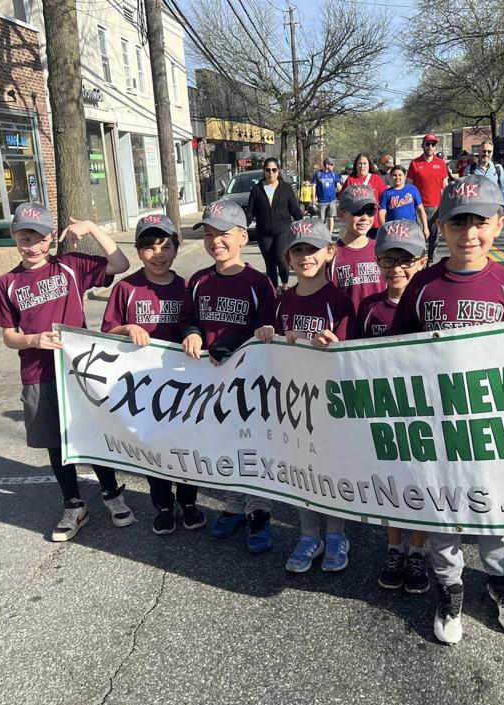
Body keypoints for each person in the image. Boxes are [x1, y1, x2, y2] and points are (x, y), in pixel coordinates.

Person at [391, 175, 504, 644]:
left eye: (479, 222)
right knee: (443, 511)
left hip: (492, 426)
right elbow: (393, 354)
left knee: (495, 509)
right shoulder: (423, 285)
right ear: (441, 228)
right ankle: (449, 587)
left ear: (498, 224)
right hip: (437, 427)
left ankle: (501, 581)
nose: (469, 234)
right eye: (458, 223)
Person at [0, 203, 132, 542]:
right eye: (25, 239)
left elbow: (120, 264)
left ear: (52, 237)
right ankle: (73, 504)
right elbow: (8, 337)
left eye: (40, 239)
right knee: (56, 442)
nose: (33, 247)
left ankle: (111, 493)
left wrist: (92, 227)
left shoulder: (69, 266)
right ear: (14, 237)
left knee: (92, 435)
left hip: (79, 370)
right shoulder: (8, 283)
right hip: (38, 374)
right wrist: (32, 339)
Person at [254, 217, 356, 573]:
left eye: (313, 249)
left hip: (328, 402)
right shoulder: (283, 301)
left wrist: (334, 345)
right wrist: (267, 335)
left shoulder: (339, 301)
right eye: (298, 251)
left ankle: (337, 534)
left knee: (331, 469)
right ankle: (309, 535)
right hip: (294, 402)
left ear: (329, 252)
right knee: (301, 470)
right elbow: (274, 342)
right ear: (288, 258)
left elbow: (352, 356)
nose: (305, 257)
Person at [181, 199, 279, 552]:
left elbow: (268, 329)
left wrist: (236, 341)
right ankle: (235, 502)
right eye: (208, 234)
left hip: (249, 383)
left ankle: (259, 510)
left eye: (223, 233)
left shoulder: (259, 282)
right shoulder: (198, 281)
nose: (215, 241)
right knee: (224, 444)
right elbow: (188, 318)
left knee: (252, 445)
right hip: (210, 382)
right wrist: (192, 331)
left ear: (242, 237)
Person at [101, 213, 204, 535]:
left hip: (183, 384)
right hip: (143, 387)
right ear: (137, 250)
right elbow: (106, 332)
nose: (158, 254)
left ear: (176, 249)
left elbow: (196, 325)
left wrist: (193, 334)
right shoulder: (126, 288)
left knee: (186, 446)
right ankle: (162, 505)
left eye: (165, 246)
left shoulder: (186, 287)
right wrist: (127, 328)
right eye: (149, 247)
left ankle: (188, 502)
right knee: (153, 448)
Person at [352, 220, 431, 593]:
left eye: (406, 260)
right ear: (377, 263)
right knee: (390, 482)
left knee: (421, 483)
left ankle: (418, 550)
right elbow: (351, 357)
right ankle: (394, 547)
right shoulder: (369, 307)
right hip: (383, 413)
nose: (396, 268)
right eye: (388, 260)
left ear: (422, 261)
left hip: (425, 414)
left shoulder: (430, 304)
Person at [246, 157, 303, 293]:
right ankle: (273, 290)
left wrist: (303, 223)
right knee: (269, 262)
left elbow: (295, 210)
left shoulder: (286, 188)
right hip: (263, 232)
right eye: (268, 170)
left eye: (274, 170)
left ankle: (285, 285)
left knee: (280, 257)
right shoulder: (257, 189)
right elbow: (250, 213)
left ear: (278, 171)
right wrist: (241, 226)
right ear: (264, 171)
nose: (271, 173)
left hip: (282, 229)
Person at [331, 184, 386, 311]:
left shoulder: (382, 250)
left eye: (370, 211)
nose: (365, 217)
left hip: (377, 321)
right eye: (358, 211)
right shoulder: (331, 254)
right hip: (344, 322)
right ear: (341, 215)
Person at [406, 133, 453, 262]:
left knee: (434, 238)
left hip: (436, 207)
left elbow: (445, 186)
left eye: (433, 144)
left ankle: (431, 262)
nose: (430, 147)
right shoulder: (414, 163)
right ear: (423, 146)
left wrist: (448, 205)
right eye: (428, 144)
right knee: (419, 237)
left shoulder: (441, 164)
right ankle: (419, 261)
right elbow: (409, 187)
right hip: (418, 207)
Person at [340, 153, 388, 231]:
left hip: (374, 220)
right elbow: (343, 199)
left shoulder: (376, 179)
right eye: (360, 163)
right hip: (356, 220)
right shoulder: (350, 180)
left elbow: (384, 198)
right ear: (356, 165)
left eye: (365, 163)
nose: (362, 166)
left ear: (369, 165)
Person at [378, 165, 429, 238]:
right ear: (390, 177)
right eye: (394, 175)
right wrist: (384, 228)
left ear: (405, 176)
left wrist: (425, 227)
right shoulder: (386, 193)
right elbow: (382, 213)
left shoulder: (412, 189)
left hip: (411, 228)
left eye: (400, 175)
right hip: (393, 230)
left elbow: (420, 209)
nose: (397, 177)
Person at [463, 141, 504, 210]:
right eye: (484, 151)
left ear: (492, 153)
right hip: (477, 208)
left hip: (494, 207)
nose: (486, 154)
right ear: (479, 152)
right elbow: (465, 191)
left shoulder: (498, 168)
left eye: (489, 152)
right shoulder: (470, 169)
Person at [311, 157, 342, 234]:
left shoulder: (334, 174)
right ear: (327, 165)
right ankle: (322, 233)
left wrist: (344, 193)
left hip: (332, 200)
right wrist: (313, 200)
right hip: (322, 201)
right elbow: (313, 186)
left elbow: (338, 186)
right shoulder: (318, 174)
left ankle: (329, 234)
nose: (333, 166)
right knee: (322, 220)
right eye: (332, 164)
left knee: (331, 217)